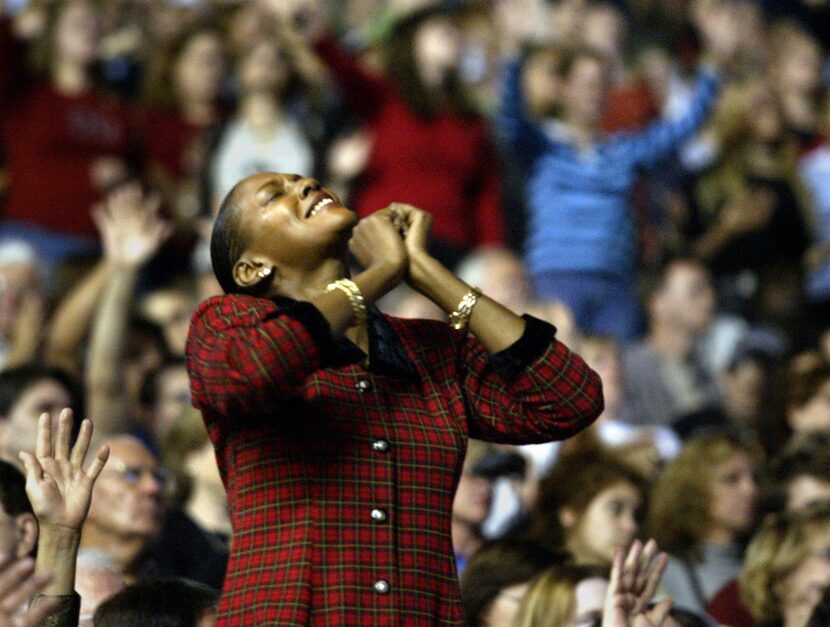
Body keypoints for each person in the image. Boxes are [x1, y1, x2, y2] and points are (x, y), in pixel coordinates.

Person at [186, 172, 604, 623]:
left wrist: (427, 273)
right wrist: (380, 274)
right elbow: (254, 369)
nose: (305, 186)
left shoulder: (431, 347)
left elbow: (570, 399)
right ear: (252, 268)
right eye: (276, 195)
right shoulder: (227, 322)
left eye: (304, 181)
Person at [646, 430, 759, 614]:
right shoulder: (664, 570)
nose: (751, 489)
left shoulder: (759, 559)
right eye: (732, 479)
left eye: (753, 478)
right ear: (694, 490)